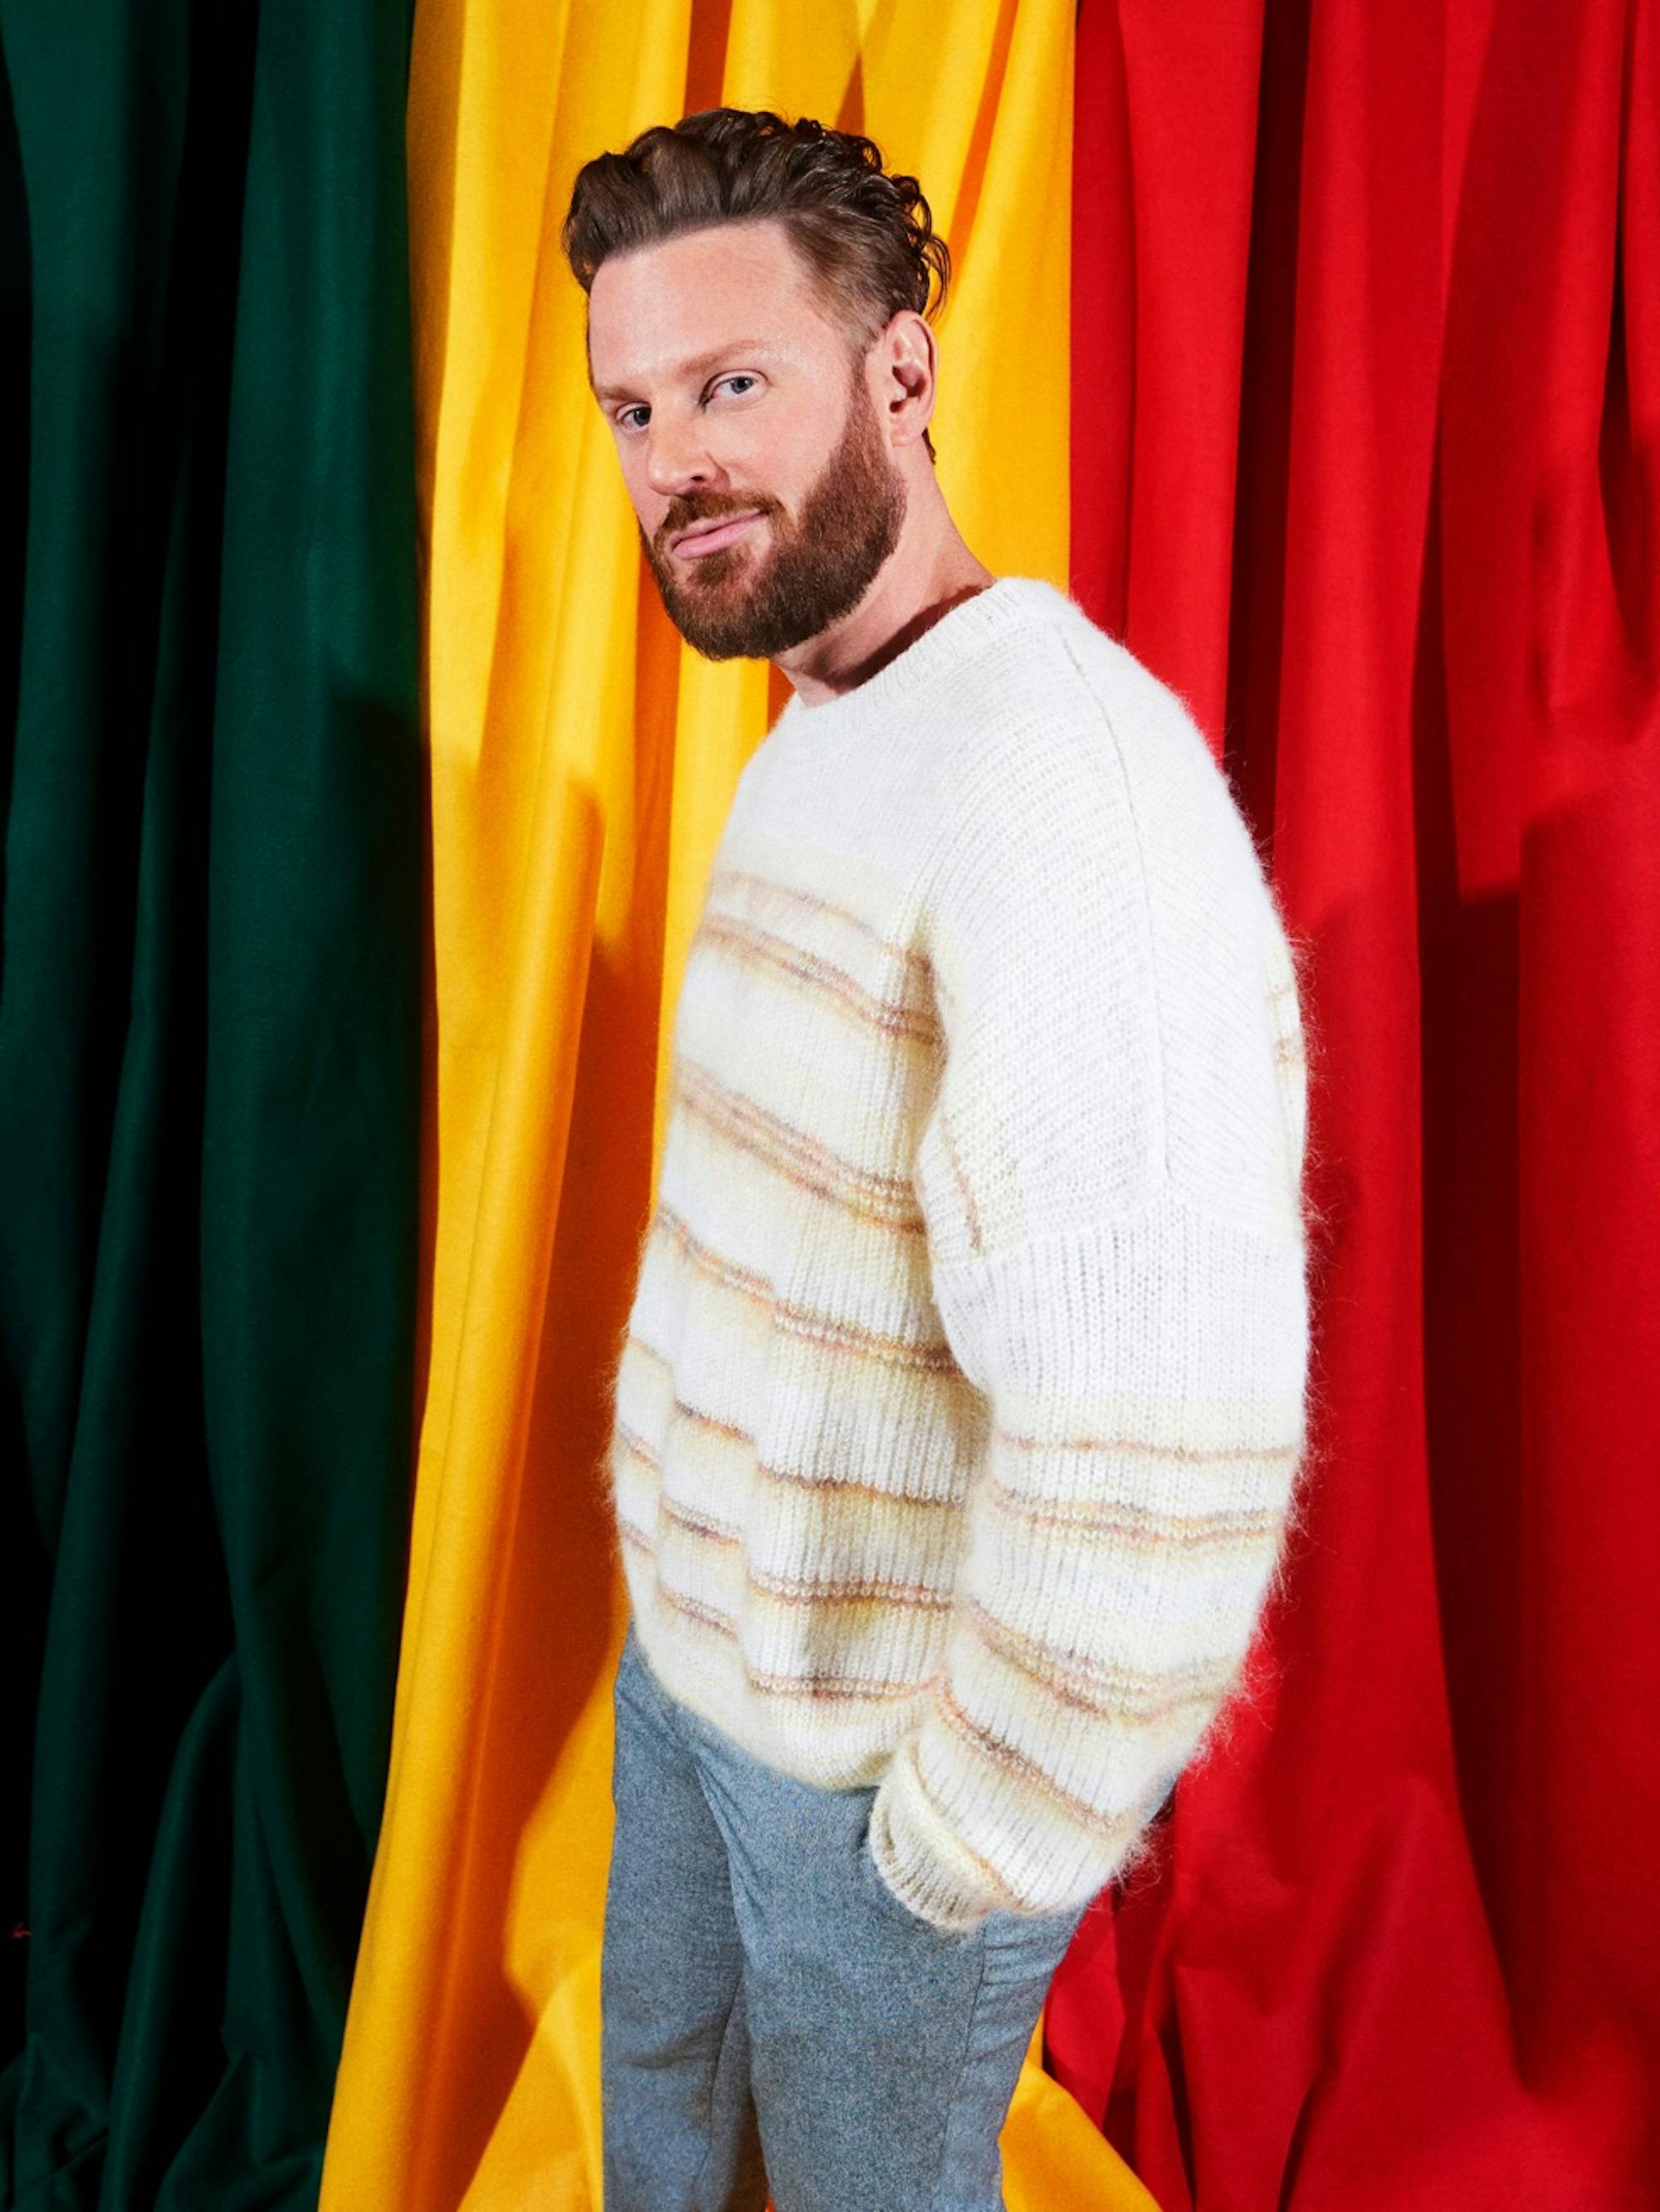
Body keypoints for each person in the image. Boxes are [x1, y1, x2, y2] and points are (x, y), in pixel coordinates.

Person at [561, 107, 1313, 2212]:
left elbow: (1166, 1428)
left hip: (877, 1792)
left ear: (899, 367)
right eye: (634, 407)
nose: (673, 461)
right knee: (662, 2170)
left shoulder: (1062, 796)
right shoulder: (831, 718)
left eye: (733, 385)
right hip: (696, 1677)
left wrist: (955, 1846)